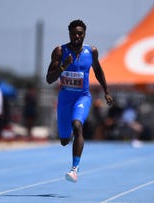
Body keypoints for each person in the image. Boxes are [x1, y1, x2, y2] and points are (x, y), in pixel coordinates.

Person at [46, 19, 113, 182]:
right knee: (63, 141)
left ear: (84, 34)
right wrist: (63, 67)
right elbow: (49, 79)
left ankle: (74, 170)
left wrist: (106, 91)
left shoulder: (92, 51)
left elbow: (98, 70)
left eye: (80, 33)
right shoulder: (60, 51)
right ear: (69, 34)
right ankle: (68, 134)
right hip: (65, 99)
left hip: (82, 97)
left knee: (77, 126)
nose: (77, 36)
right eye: (74, 33)